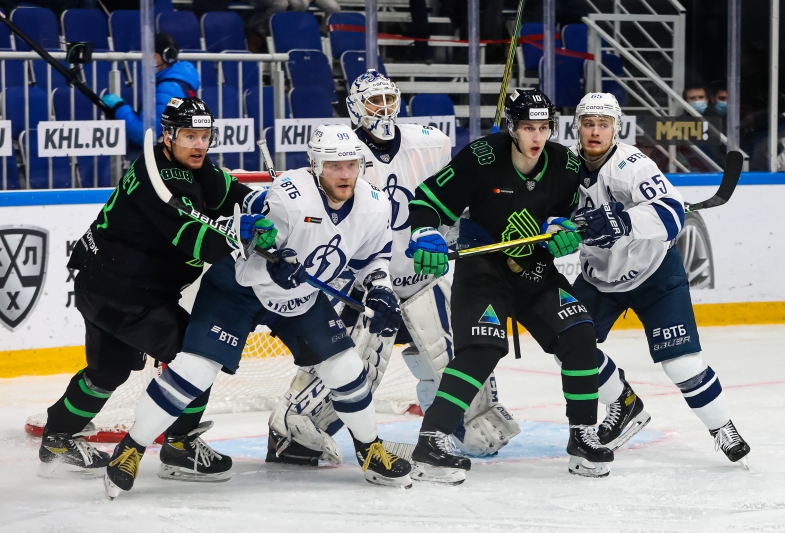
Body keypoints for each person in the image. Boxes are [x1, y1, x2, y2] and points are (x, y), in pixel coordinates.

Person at [103, 124, 413, 498]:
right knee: (194, 370)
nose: (344, 174)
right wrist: (270, 259)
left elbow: (372, 259)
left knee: (346, 367)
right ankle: (131, 449)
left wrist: (379, 289)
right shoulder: (289, 195)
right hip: (239, 288)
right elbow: (251, 246)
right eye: (334, 166)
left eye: (351, 165)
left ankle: (370, 449)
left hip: (300, 296)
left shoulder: (375, 204)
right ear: (315, 165)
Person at [264, 70, 520, 468]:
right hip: (364, 284)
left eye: (389, 99)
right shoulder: (342, 153)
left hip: (424, 277)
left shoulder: (430, 142)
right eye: (374, 101)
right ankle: (293, 431)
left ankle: (452, 423)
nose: (384, 109)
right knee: (353, 367)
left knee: (459, 359)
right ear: (354, 108)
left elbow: (455, 198)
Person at [39, 97, 275, 479]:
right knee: (197, 355)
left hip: (102, 282)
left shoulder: (182, 163)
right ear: (169, 136)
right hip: (127, 295)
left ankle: (57, 437)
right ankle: (180, 446)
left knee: (108, 371)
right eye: (189, 136)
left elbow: (228, 190)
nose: (199, 145)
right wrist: (239, 234)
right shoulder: (163, 181)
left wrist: (263, 202)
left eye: (205, 136)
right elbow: (199, 241)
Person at [406, 88, 614, 484]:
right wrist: (424, 234)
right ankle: (431, 441)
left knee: (580, 334)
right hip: (483, 267)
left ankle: (582, 436)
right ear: (512, 128)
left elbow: (565, 216)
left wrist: (561, 230)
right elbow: (426, 202)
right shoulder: (481, 158)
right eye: (528, 128)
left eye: (544, 128)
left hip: (534, 268)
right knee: (482, 349)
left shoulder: (565, 163)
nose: (537, 137)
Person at [566, 92, 750, 467]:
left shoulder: (633, 165)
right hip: (599, 278)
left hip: (655, 274)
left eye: (604, 124)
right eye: (588, 124)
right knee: (567, 344)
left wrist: (624, 221)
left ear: (616, 129)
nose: (595, 131)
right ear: (577, 127)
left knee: (682, 364)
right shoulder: (563, 166)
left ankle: (722, 427)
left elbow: (671, 214)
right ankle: (624, 404)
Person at [100, 33, 200, 147]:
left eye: (150, 54)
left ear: (163, 56)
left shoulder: (168, 89)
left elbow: (145, 135)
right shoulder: (179, 82)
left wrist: (118, 106)